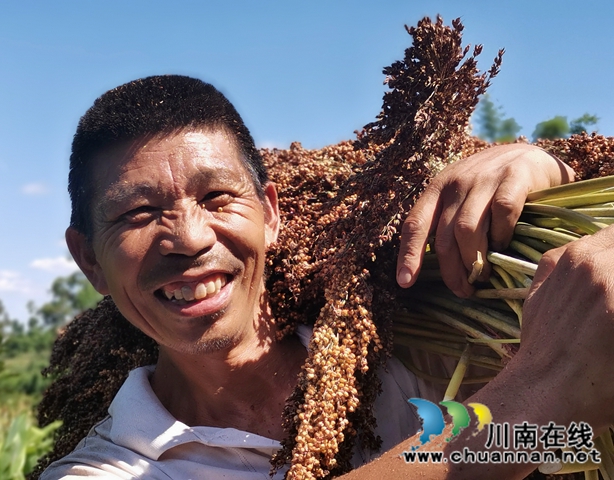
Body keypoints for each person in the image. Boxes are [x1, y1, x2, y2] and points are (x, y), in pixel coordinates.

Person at [39, 74, 614, 479]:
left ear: (270, 213)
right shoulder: (109, 469)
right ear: (88, 260)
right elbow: (536, 412)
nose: (189, 238)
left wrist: (547, 179)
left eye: (218, 197)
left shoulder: (405, 356)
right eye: (138, 214)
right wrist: (538, 388)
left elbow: (562, 446)